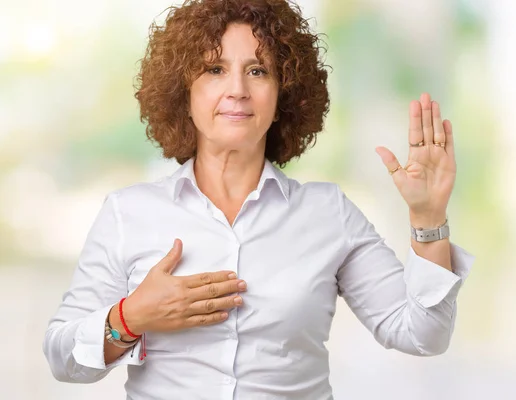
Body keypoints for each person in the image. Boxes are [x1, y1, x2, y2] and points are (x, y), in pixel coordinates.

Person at [43, 0, 475, 398]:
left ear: (284, 93)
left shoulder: (328, 213)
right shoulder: (128, 213)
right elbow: (63, 359)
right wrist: (130, 316)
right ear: (183, 92)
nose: (237, 90)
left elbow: (422, 335)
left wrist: (428, 216)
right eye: (214, 69)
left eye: (258, 70)